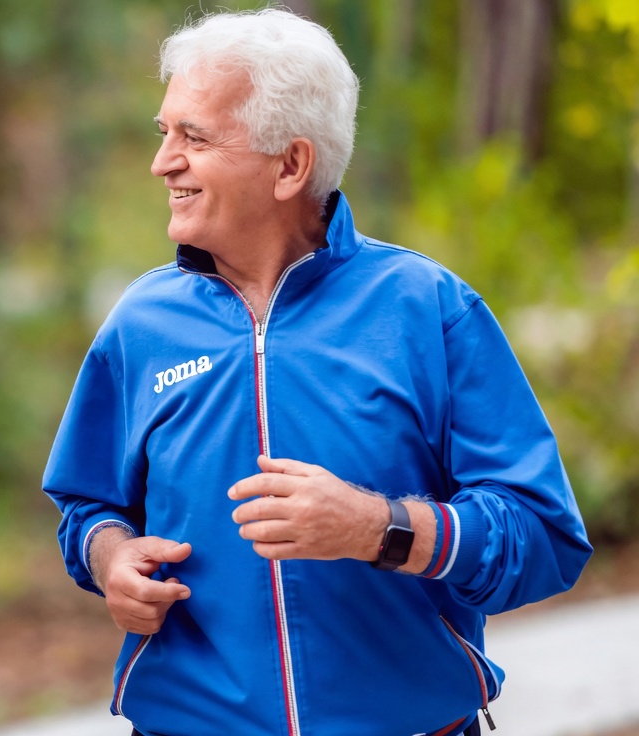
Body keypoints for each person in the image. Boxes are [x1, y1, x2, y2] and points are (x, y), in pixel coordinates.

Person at [42, 9, 591, 736]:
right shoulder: (140, 324)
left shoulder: (429, 310)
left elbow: (544, 537)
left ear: (291, 165)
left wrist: (379, 528)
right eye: (164, 132)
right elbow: (86, 506)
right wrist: (111, 560)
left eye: (193, 137)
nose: (162, 161)